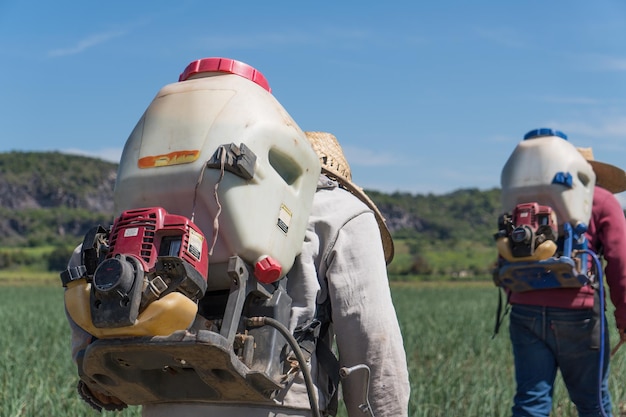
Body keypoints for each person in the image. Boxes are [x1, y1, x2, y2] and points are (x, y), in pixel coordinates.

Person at [65, 131, 410, 417]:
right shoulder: (342, 212)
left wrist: (93, 369)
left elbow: (85, 260)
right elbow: (373, 347)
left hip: (166, 402)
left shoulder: (190, 203)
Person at [506, 144, 626, 417]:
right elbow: (620, 263)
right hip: (580, 313)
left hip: (525, 309)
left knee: (530, 405)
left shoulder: (528, 199)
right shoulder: (603, 200)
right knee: (592, 404)